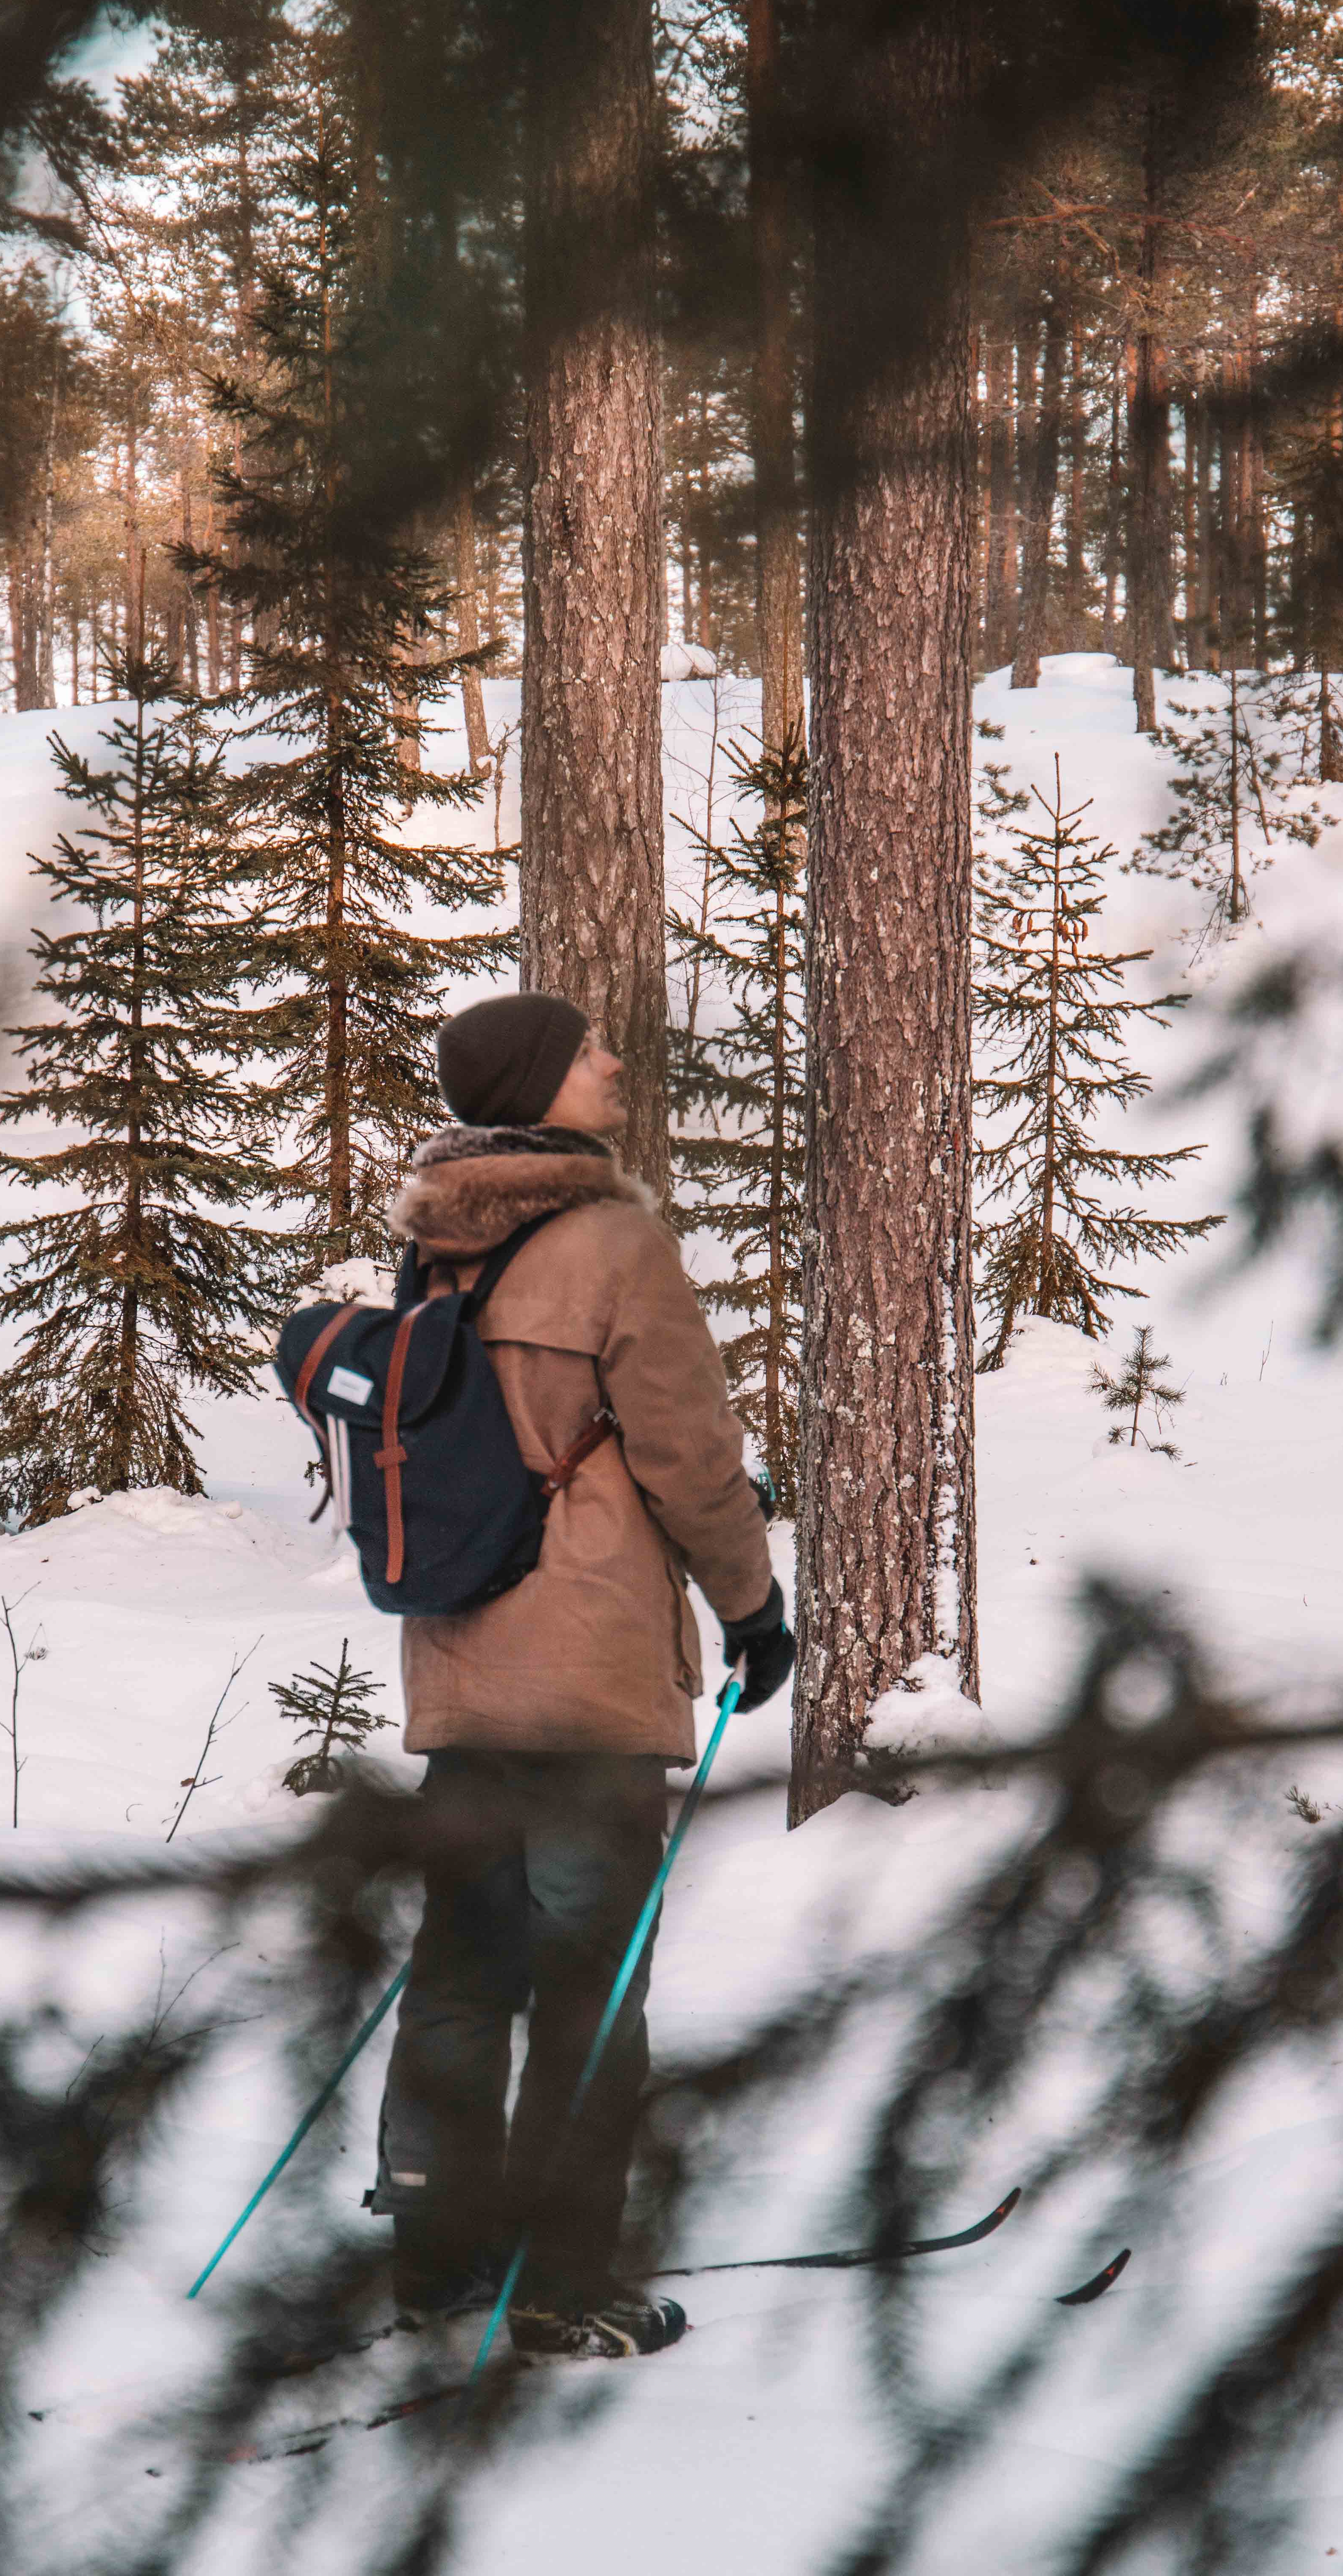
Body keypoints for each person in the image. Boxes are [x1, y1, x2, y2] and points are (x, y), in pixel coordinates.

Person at [365, 989, 796, 2359]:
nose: (614, 1063)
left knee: (459, 1971)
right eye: (591, 1049)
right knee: (589, 1986)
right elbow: (687, 1450)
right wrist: (753, 1604)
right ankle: (563, 2276)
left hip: (460, 1661)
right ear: (541, 1083)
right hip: (594, 1666)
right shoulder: (616, 1240)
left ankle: (437, 2258)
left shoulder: (431, 1239)